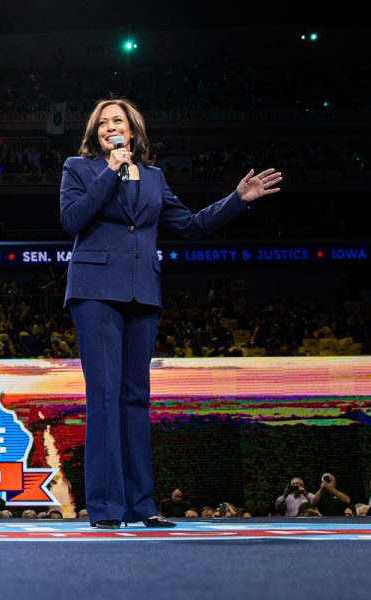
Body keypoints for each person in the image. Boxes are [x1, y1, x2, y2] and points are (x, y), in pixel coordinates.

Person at [60, 98, 281, 530]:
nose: (110, 127)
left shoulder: (156, 178)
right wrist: (111, 171)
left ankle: (142, 504)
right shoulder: (80, 169)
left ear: (133, 129)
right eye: (103, 123)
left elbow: (191, 225)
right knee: (104, 396)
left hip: (143, 292)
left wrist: (238, 199)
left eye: (117, 121)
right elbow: (73, 220)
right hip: (95, 292)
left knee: (136, 399)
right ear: (95, 134)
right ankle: (105, 507)